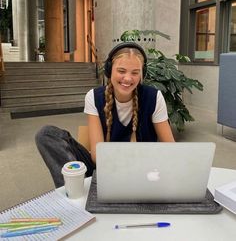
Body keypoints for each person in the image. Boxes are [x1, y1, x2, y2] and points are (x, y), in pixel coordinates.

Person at [35, 42, 175, 188]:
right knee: (46, 134)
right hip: (103, 168)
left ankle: (92, 190)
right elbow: (96, 155)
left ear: (142, 74)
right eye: (121, 71)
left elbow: (170, 149)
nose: (128, 78)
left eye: (135, 72)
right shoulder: (94, 97)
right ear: (109, 70)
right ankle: (72, 188)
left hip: (141, 172)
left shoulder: (154, 97)